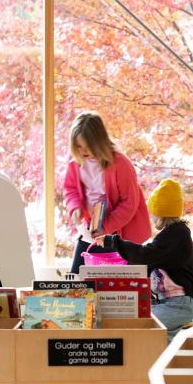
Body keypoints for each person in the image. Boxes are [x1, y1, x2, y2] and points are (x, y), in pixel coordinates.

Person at [95, 178, 193, 340]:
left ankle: (162, 362)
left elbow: (145, 255)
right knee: (157, 335)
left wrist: (113, 242)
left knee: (143, 328)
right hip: (169, 303)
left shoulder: (177, 234)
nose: (151, 217)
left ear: (160, 214)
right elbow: (147, 262)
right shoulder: (170, 236)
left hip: (178, 304)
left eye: (153, 214)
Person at [63, 112, 150, 274]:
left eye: (88, 146)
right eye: (78, 146)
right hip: (91, 232)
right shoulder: (75, 164)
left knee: (118, 287)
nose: (83, 151)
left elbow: (129, 203)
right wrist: (75, 207)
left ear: (99, 142)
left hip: (120, 235)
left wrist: (107, 227)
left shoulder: (120, 164)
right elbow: (70, 189)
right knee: (75, 282)